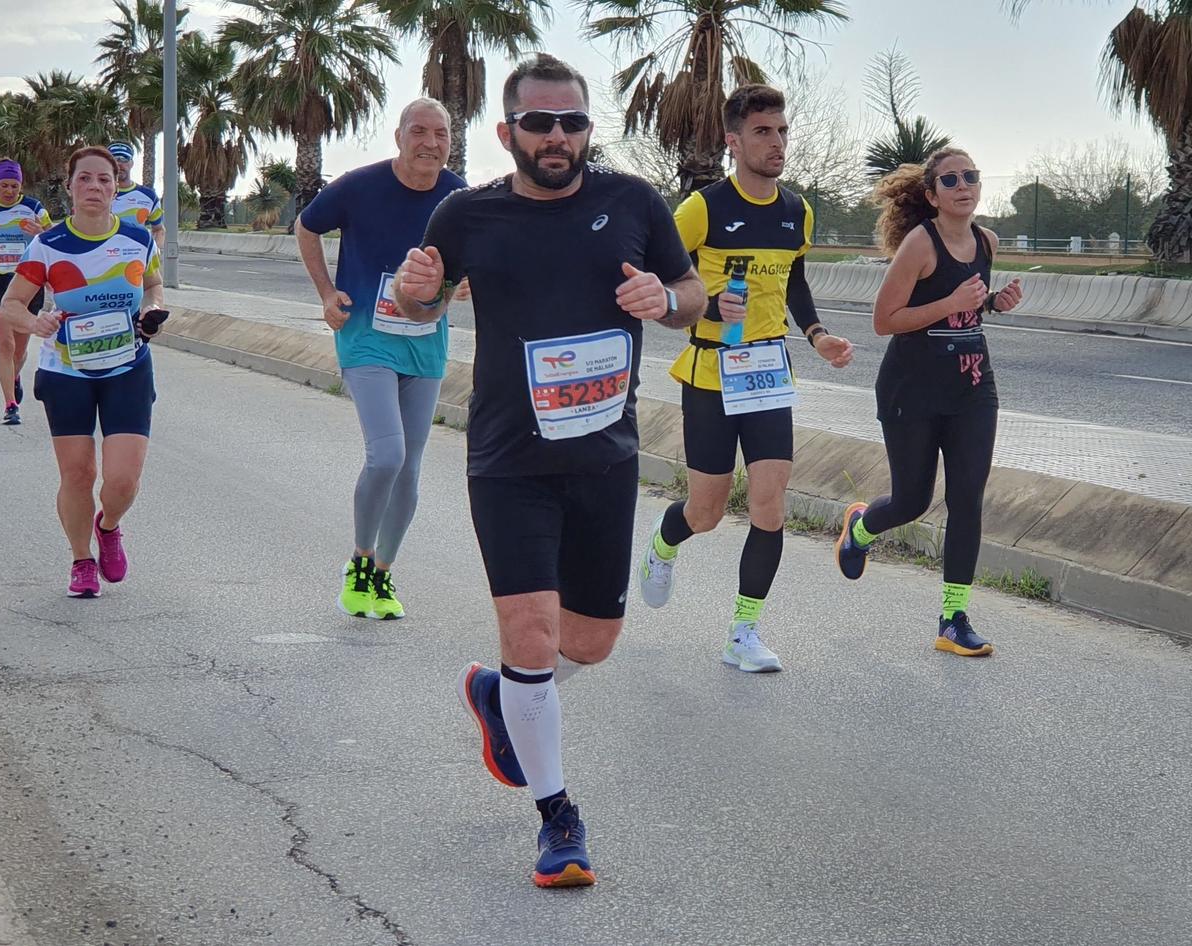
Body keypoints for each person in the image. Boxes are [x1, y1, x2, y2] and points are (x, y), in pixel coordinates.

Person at [392, 54, 702, 888]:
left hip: (605, 459)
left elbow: (691, 290)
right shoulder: (466, 215)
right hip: (508, 461)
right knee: (530, 631)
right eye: (539, 122)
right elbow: (420, 302)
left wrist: (663, 304)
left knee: (589, 646)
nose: (558, 136)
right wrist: (416, 288)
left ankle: (501, 694)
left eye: (572, 122)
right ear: (508, 133)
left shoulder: (633, 202)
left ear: (587, 129)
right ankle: (558, 818)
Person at [636, 84, 854, 673]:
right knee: (706, 511)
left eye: (781, 130)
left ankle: (744, 632)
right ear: (734, 142)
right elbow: (661, 284)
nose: (777, 142)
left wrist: (816, 334)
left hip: (766, 372)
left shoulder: (796, 211)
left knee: (769, 504)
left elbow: (795, 280)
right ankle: (662, 540)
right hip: (710, 371)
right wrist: (707, 308)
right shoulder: (702, 209)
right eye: (763, 132)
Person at [834, 148, 1022, 658]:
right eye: (951, 179)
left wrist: (991, 303)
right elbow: (886, 319)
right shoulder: (920, 244)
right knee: (912, 500)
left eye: (971, 176)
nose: (964, 185)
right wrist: (953, 303)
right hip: (911, 390)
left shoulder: (987, 240)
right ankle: (861, 527)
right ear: (932, 194)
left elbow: (968, 306)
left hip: (973, 387)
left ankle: (954, 618)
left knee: (967, 499)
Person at [296, 99, 467, 620]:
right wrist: (326, 293)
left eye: (441, 134)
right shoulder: (360, 185)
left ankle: (385, 576)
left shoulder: (458, 196)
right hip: (365, 337)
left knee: (410, 467)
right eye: (419, 131)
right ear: (399, 137)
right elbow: (306, 228)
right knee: (387, 454)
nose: (430, 143)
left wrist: (463, 283)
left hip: (426, 341)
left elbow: (481, 254)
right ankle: (360, 561)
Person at [0, 146, 167, 599]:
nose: (95, 187)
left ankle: (108, 526)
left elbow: (153, 285)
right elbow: (10, 304)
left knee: (123, 480)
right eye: (85, 179)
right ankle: (81, 560)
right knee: (77, 475)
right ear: (69, 187)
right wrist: (37, 322)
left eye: (104, 180)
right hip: (66, 370)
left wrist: (152, 310)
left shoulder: (137, 239)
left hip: (128, 366)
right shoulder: (47, 244)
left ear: (116, 188)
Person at [0, 159, 53, 426]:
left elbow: (53, 239)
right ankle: (10, 405)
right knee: (6, 343)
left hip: (27, 282)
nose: (9, 190)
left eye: (14, 185)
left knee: (20, 349)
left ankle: (14, 376)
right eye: (4, 185)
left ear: (21, 185)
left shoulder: (33, 208)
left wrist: (40, 232)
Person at [106, 142, 165, 247]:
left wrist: (153, 253)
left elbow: (158, 229)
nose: (119, 164)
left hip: (134, 262)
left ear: (131, 163)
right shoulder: (97, 194)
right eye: (114, 159)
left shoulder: (148, 196)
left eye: (124, 159)